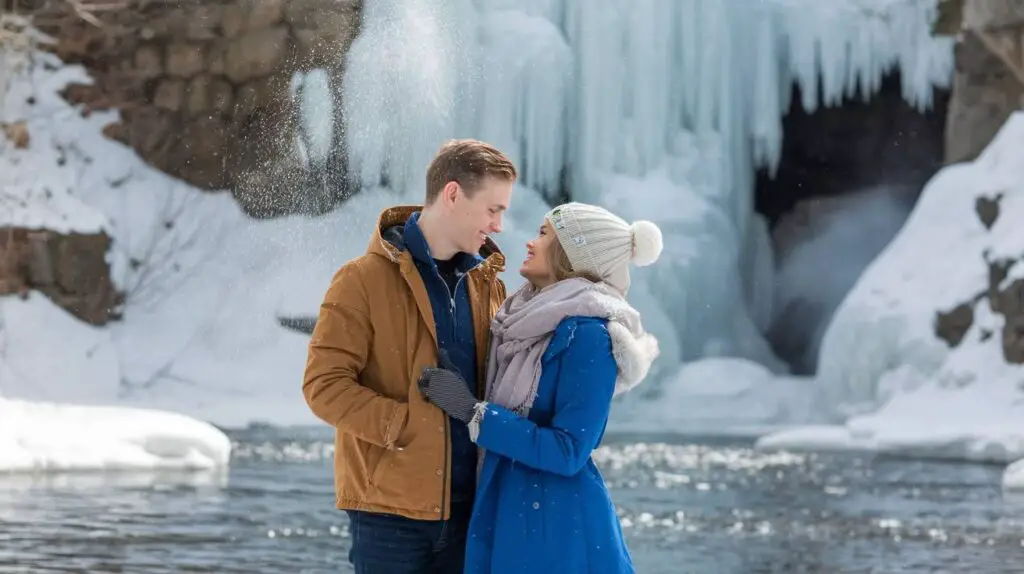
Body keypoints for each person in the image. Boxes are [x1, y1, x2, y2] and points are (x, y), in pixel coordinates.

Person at [302, 139, 517, 573]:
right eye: (493, 209)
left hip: (471, 510)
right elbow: (323, 386)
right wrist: (405, 425)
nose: (498, 225)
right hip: (387, 515)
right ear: (453, 194)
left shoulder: (488, 284)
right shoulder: (360, 280)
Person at [419, 202, 664, 573]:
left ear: (573, 252)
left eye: (544, 234)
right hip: (513, 512)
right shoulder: (520, 320)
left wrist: (474, 413)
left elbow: (569, 450)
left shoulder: (590, 336)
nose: (531, 243)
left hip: (557, 531)